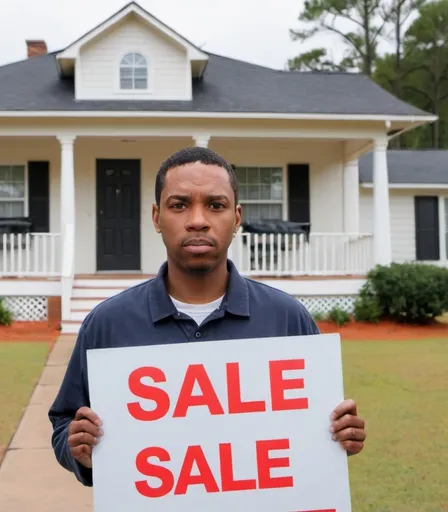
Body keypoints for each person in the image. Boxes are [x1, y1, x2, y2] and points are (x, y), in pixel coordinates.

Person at [48, 146, 366, 487]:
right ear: (156, 217)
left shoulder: (287, 319)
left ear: (237, 217)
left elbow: (318, 426)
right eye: (179, 205)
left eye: (215, 205)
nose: (198, 220)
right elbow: (65, 421)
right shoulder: (107, 323)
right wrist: (77, 449)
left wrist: (340, 436)